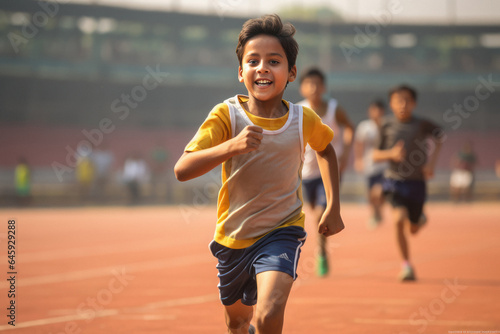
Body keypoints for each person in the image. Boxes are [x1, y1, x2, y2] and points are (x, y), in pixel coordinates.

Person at [174, 14, 344, 334]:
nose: (263, 68)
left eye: (274, 61)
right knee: (238, 322)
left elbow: (326, 150)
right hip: (233, 236)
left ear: (291, 73)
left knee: (267, 314)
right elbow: (182, 169)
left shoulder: (302, 119)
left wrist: (333, 206)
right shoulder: (227, 115)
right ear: (241, 73)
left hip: (282, 230)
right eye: (253, 61)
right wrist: (231, 147)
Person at [373, 84, 442, 282]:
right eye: (397, 101)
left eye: (406, 101)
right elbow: (375, 154)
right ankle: (406, 266)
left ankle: (418, 219)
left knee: (413, 228)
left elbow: (440, 137)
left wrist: (431, 163)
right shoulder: (385, 125)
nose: (402, 105)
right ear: (391, 104)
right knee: (397, 219)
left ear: (414, 103)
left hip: (417, 183)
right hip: (394, 182)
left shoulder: (422, 124)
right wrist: (390, 154)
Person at [297, 67, 354, 277]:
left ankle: (321, 253)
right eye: (309, 83)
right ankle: (321, 248)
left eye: (317, 84)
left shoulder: (333, 108)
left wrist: (346, 153)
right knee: (313, 215)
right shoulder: (298, 110)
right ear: (302, 87)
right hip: (306, 172)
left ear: (324, 87)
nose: (313, 88)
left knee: (322, 212)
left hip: (330, 169)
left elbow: (349, 127)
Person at [354, 100, 388, 229]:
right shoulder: (364, 127)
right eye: (374, 110)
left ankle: (380, 211)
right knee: (370, 194)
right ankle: (375, 213)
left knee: (379, 192)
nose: (377, 113)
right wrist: (358, 160)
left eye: (379, 110)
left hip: (384, 166)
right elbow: (359, 144)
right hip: (369, 166)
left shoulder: (387, 126)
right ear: (370, 111)